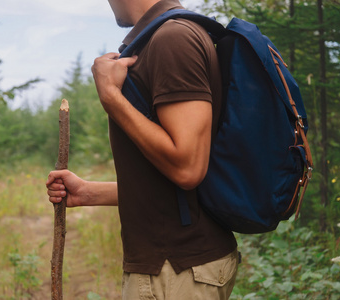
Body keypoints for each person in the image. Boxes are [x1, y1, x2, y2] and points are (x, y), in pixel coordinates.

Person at [46, 0, 239, 299]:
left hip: (176, 270)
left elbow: (188, 168)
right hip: (174, 268)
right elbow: (174, 184)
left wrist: (111, 97)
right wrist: (89, 193)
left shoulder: (173, 39)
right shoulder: (162, 38)